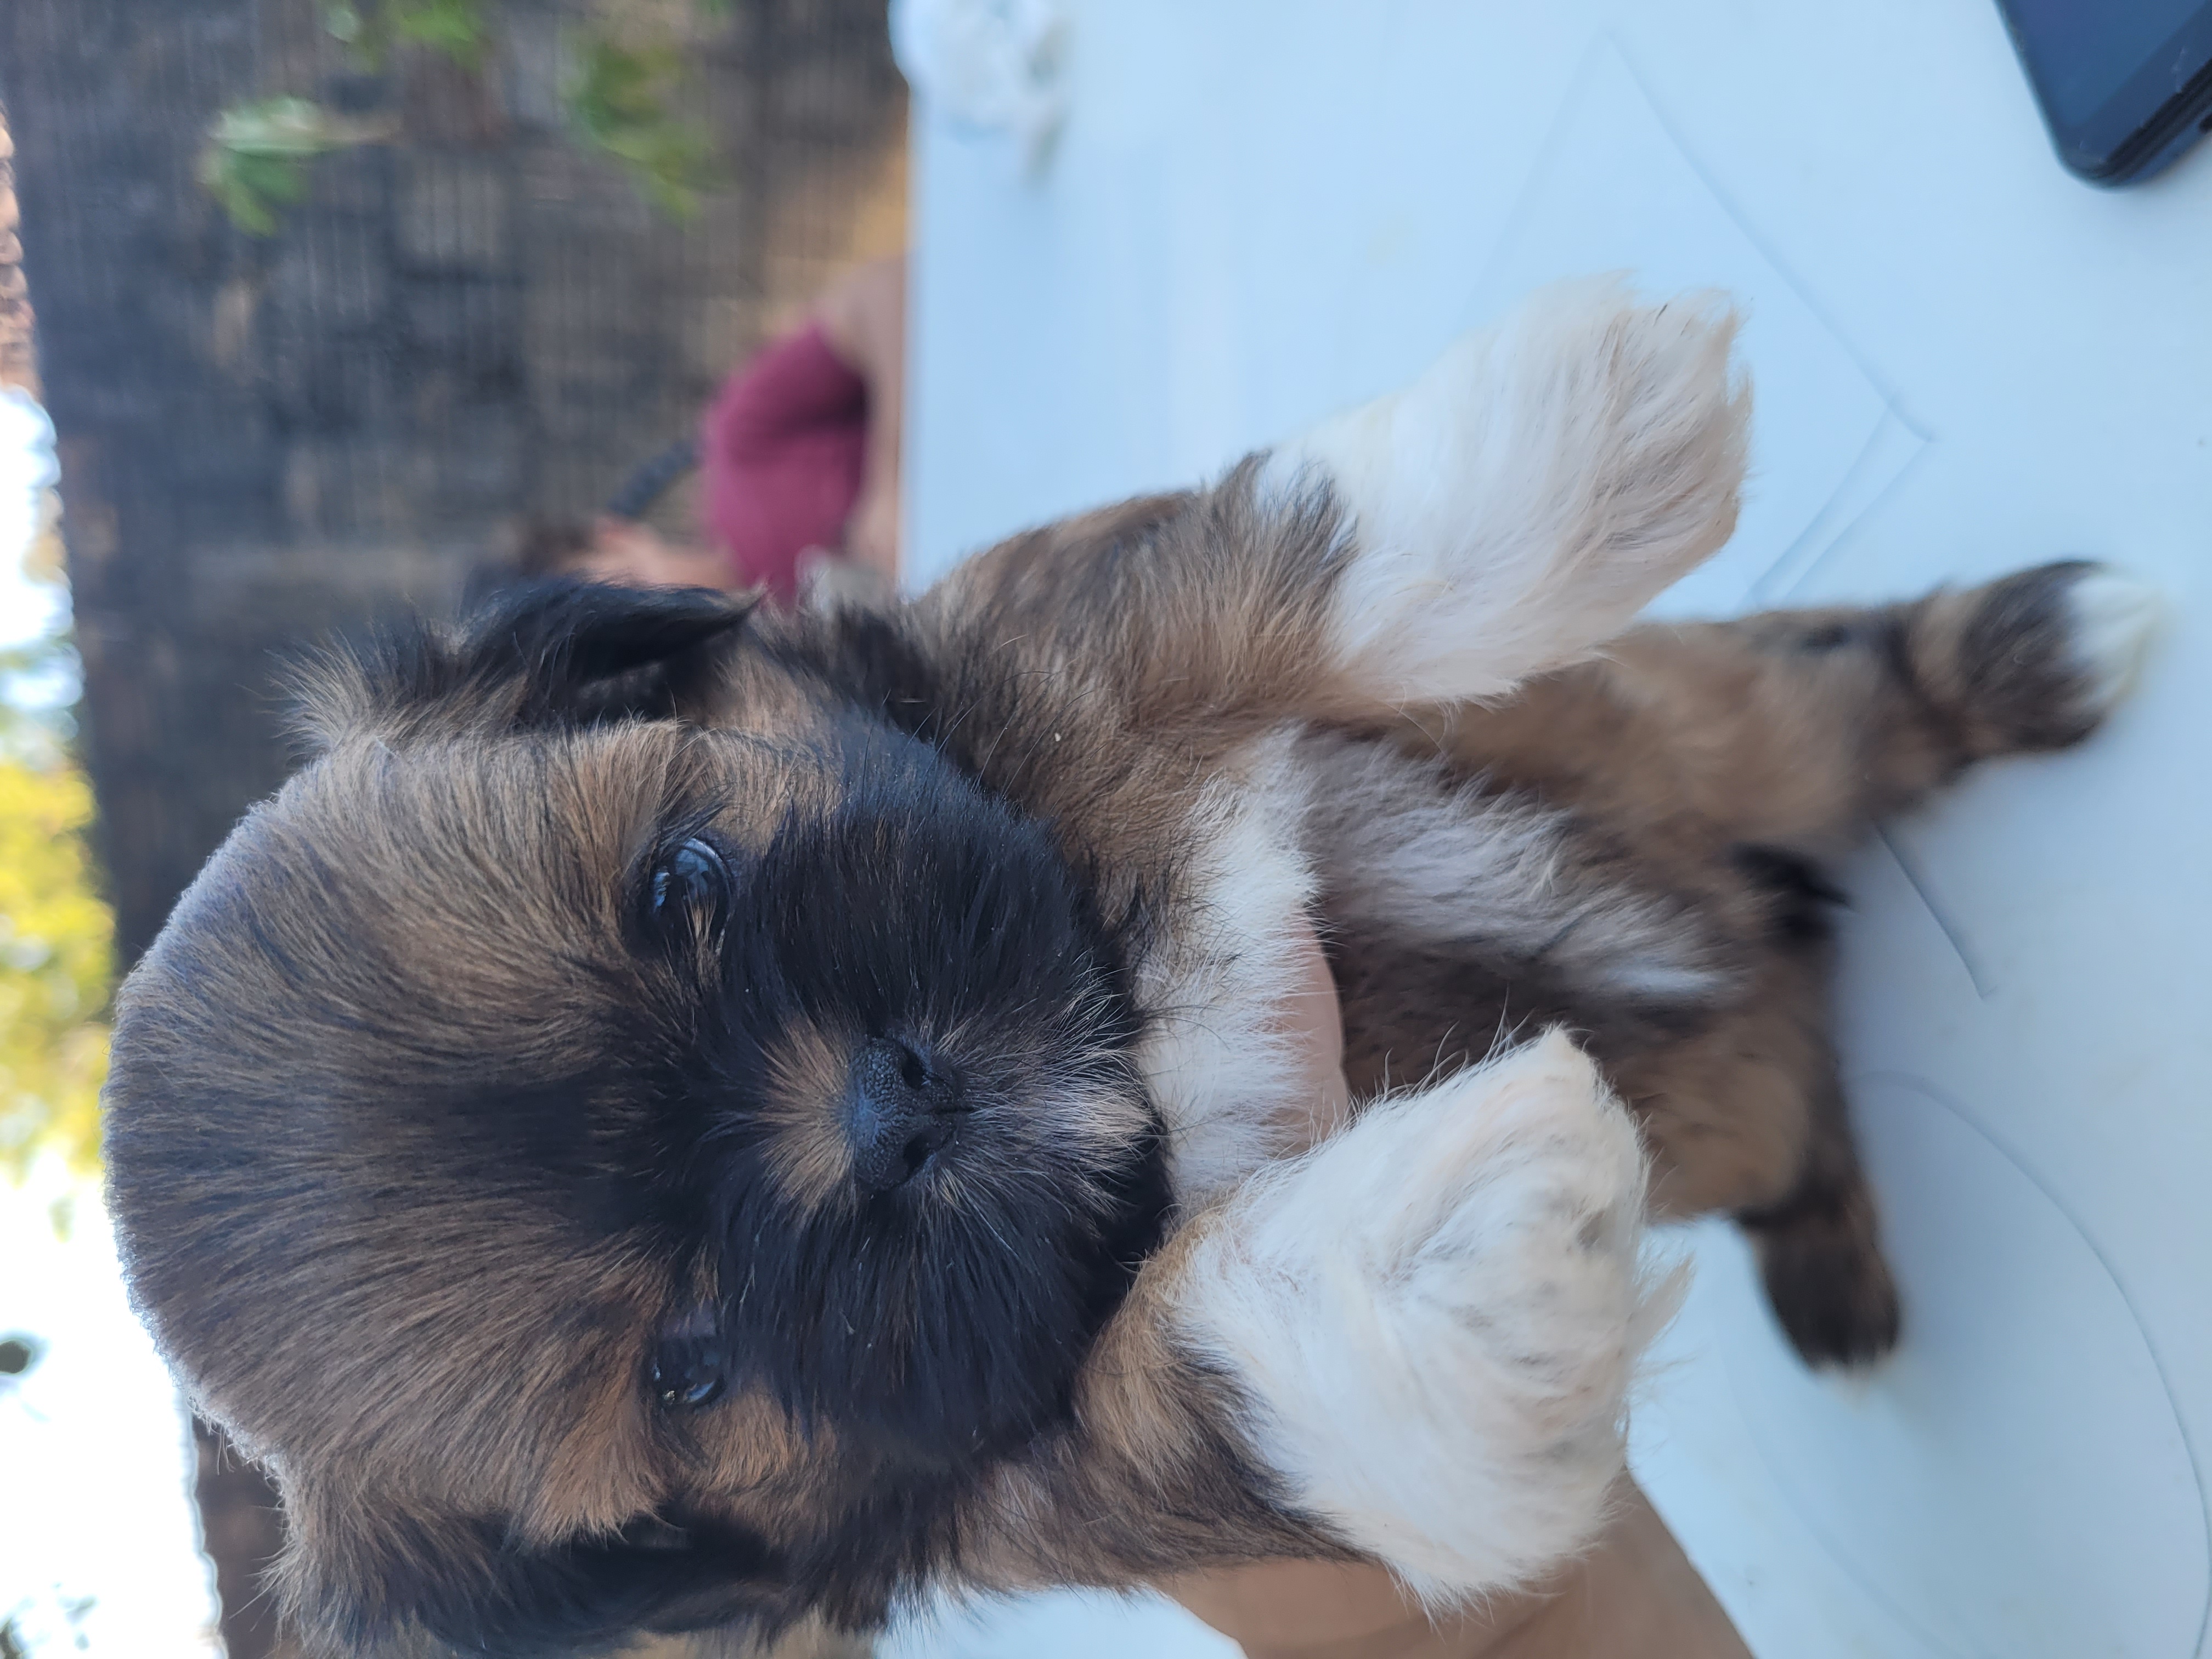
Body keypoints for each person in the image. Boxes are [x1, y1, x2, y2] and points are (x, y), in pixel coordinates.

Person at [506, 255, 907, 599]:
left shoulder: (741, 442)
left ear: (618, 537)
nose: (656, 617)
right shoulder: (783, 673)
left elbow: (890, 288)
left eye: (634, 587)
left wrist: (888, 486)